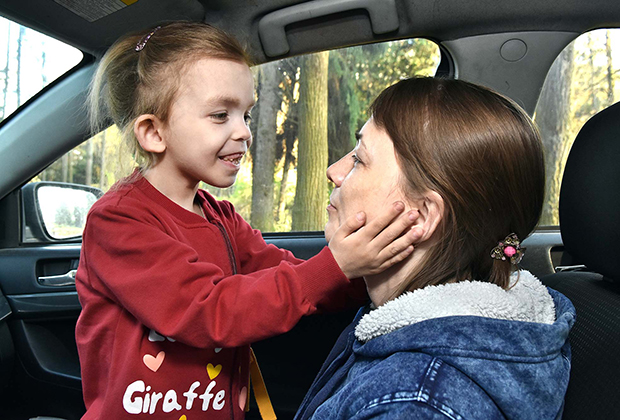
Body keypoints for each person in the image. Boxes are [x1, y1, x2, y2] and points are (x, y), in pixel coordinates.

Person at [76, 22, 421, 420]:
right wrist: (336, 265)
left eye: (247, 114)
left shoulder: (220, 217)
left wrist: (371, 274)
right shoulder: (118, 220)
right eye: (220, 115)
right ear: (153, 132)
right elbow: (208, 311)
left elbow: (287, 274)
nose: (244, 131)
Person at [295, 77, 575, 420]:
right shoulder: (408, 323)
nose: (334, 171)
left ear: (423, 216)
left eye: (359, 160)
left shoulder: (413, 405)